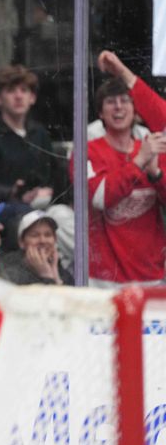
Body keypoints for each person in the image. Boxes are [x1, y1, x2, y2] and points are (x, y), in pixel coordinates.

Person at [72, 77, 166, 287]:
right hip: (103, 278)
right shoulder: (86, 150)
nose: (118, 107)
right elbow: (98, 197)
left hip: (152, 274)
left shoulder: (154, 149)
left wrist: (156, 174)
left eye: (125, 100)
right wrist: (139, 161)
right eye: (110, 102)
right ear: (100, 113)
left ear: (135, 110)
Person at [0, 64, 57, 207]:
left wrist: (48, 191)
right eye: (11, 91)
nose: (18, 96)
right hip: (3, 209)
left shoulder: (40, 133)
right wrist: (12, 192)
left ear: (32, 98)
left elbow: (54, 175)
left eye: (24, 90)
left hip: (43, 205)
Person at [0, 210, 74, 285]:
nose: (43, 240)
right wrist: (46, 276)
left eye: (48, 235)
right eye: (34, 235)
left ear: (55, 239)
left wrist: (56, 276)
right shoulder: (8, 272)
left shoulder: (60, 269)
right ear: (22, 242)